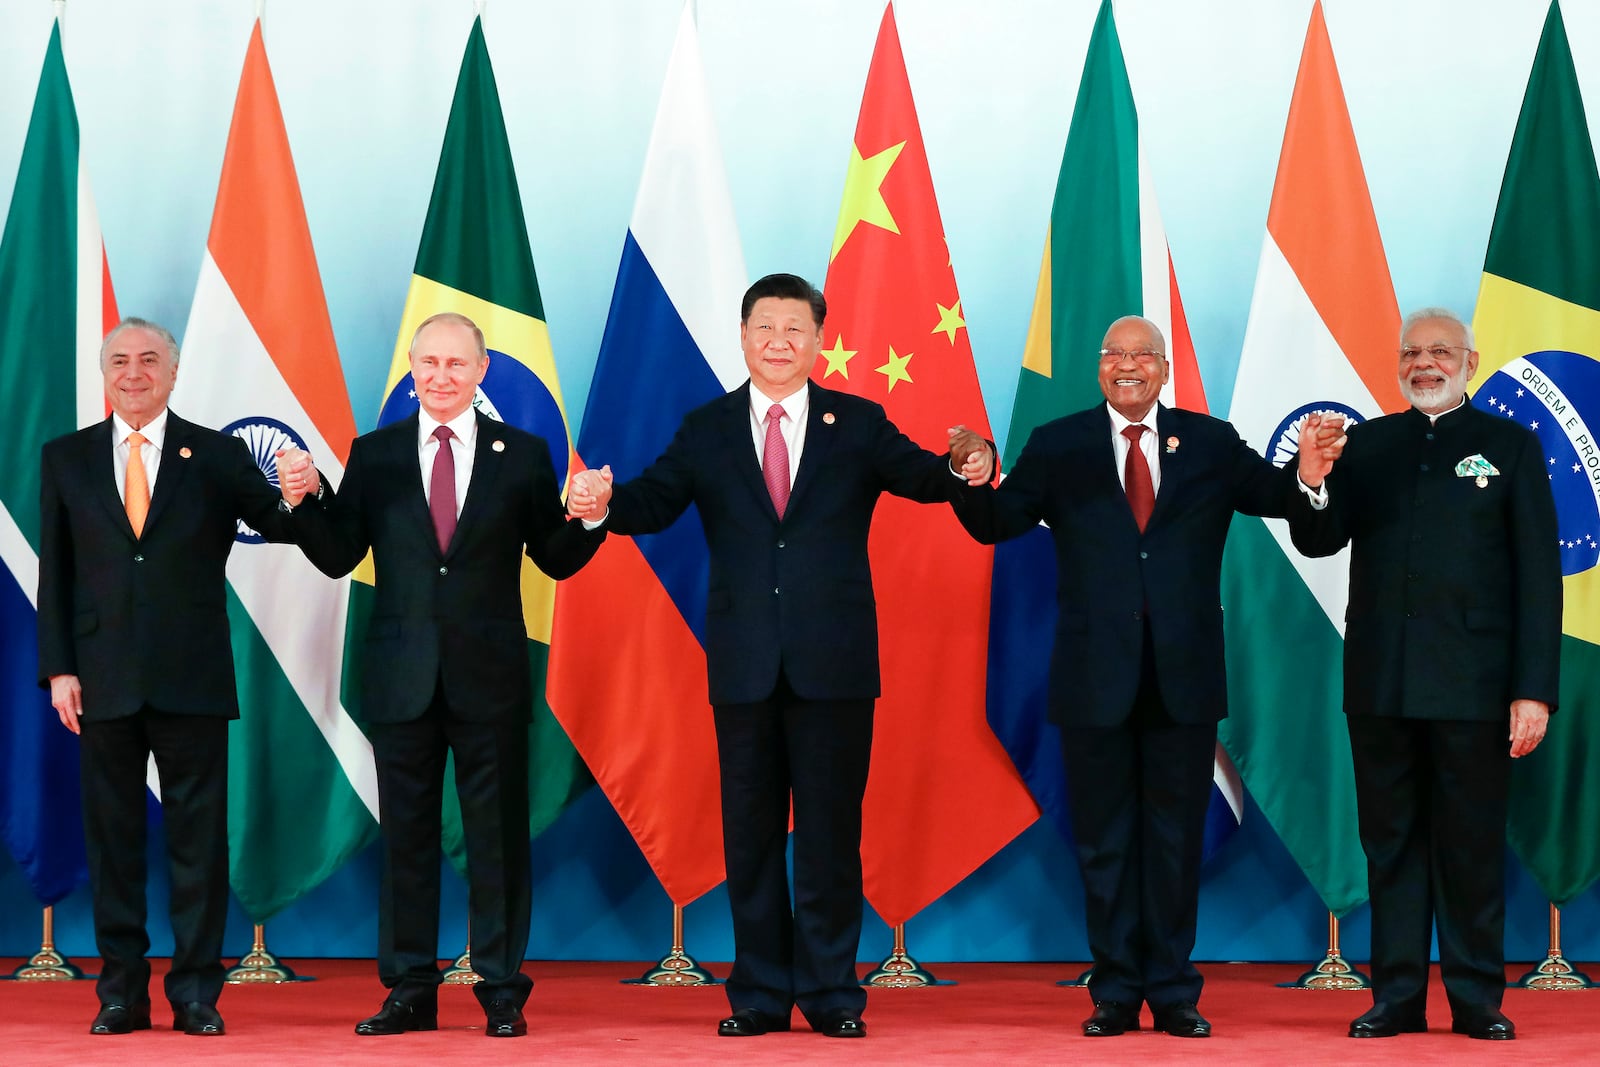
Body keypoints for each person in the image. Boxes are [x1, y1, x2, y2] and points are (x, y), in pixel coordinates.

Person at [565, 272, 991, 1040]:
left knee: (830, 834)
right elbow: (654, 500)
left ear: (819, 341)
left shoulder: (856, 422)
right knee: (751, 836)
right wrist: (604, 503)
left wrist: (969, 463)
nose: (779, 343)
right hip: (743, 663)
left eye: (795, 329)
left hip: (835, 664)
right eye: (765, 327)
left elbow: (925, 475)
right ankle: (758, 992)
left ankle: (831, 993)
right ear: (743, 335)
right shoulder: (708, 426)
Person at [947, 315, 1344, 1039]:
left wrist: (1309, 478)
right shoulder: (1058, 443)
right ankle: (1114, 991)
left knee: (1171, 840)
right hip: (1092, 676)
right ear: (1100, 366)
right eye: (1115, 355)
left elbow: (1281, 498)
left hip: (1182, 679)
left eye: (1142, 355)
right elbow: (998, 519)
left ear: (1164, 368)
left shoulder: (1211, 442)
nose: (1128, 366)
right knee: (1103, 840)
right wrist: (973, 478)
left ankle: (1174, 990)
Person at [275, 312, 605, 1038]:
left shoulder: (522, 454)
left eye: (456, 364)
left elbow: (553, 555)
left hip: (489, 676)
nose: (441, 376)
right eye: (429, 363)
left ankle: (501, 990)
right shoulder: (378, 453)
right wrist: (304, 500)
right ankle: (410, 990)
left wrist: (588, 517)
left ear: (481, 371)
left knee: (497, 840)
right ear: (413, 370)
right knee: (409, 839)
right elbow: (337, 553)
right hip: (402, 676)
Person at [1287, 308, 1561, 1041]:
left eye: (1440, 350)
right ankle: (1398, 995)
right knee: (1393, 845)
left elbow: (1540, 577)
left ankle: (1477, 998)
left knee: (1470, 845)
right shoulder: (1368, 445)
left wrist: (1532, 689)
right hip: (1381, 685)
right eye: (1412, 352)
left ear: (1469, 359)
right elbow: (1318, 539)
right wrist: (1311, 482)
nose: (1425, 362)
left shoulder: (1511, 445)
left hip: (1476, 689)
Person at [37, 317, 299, 1037]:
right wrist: (59, 667)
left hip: (193, 677)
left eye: (149, 359)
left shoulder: (215, 454)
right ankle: (120, 991)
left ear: (174, 373)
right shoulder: (66, 457)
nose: (134, 371)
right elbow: (54, 571)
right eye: (120, 360)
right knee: (113, 844)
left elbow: (275, 521)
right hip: (100, 680)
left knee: (198, 843)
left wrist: (303, 492)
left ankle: (195, 992)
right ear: (104, 372)